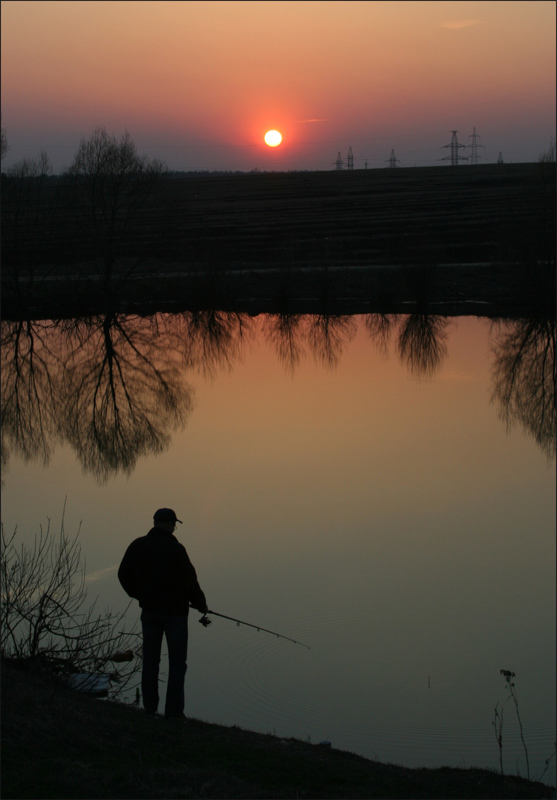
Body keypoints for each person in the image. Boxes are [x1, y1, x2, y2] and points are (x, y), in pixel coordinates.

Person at [118, 507, 208, 719]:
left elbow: (123, 575)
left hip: (149, 611)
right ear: (169, 525)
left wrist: (139, 595)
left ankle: (149, 709)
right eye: (174, 525)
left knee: (150, 661)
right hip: (175, 614)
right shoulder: (176, 550)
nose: (174, 528)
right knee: (177, 664)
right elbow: (190, 581)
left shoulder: (138, 545)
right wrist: (201, 604)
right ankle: (174, 713)